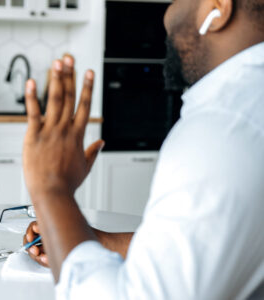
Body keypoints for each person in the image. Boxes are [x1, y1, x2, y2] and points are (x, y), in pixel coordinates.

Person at [22, 0, 264, 297]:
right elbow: (202, 246)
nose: (166, 16)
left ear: (218, 8)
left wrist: (52, 189)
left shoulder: (223, 129)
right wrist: (90, 239)